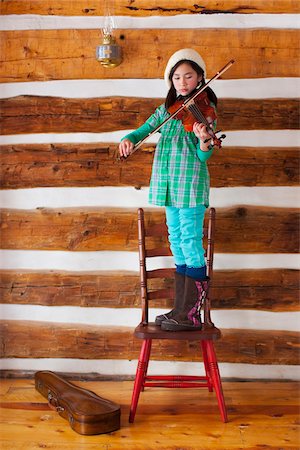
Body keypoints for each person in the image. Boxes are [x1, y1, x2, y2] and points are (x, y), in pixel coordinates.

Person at [119, 49, 218, 331]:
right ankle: (180, 309)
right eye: (177, 77)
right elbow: (141, 131)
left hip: (190, 185)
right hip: (168, 186)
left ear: (200, 78)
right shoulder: (166, 111)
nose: (183, 82)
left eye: (188, 76)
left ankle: (190, 314)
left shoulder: (205, 112)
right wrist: (128, 139)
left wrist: (203, 141)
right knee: (177, 242)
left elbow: (203, 157)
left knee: (190, 241)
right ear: (171, 81)